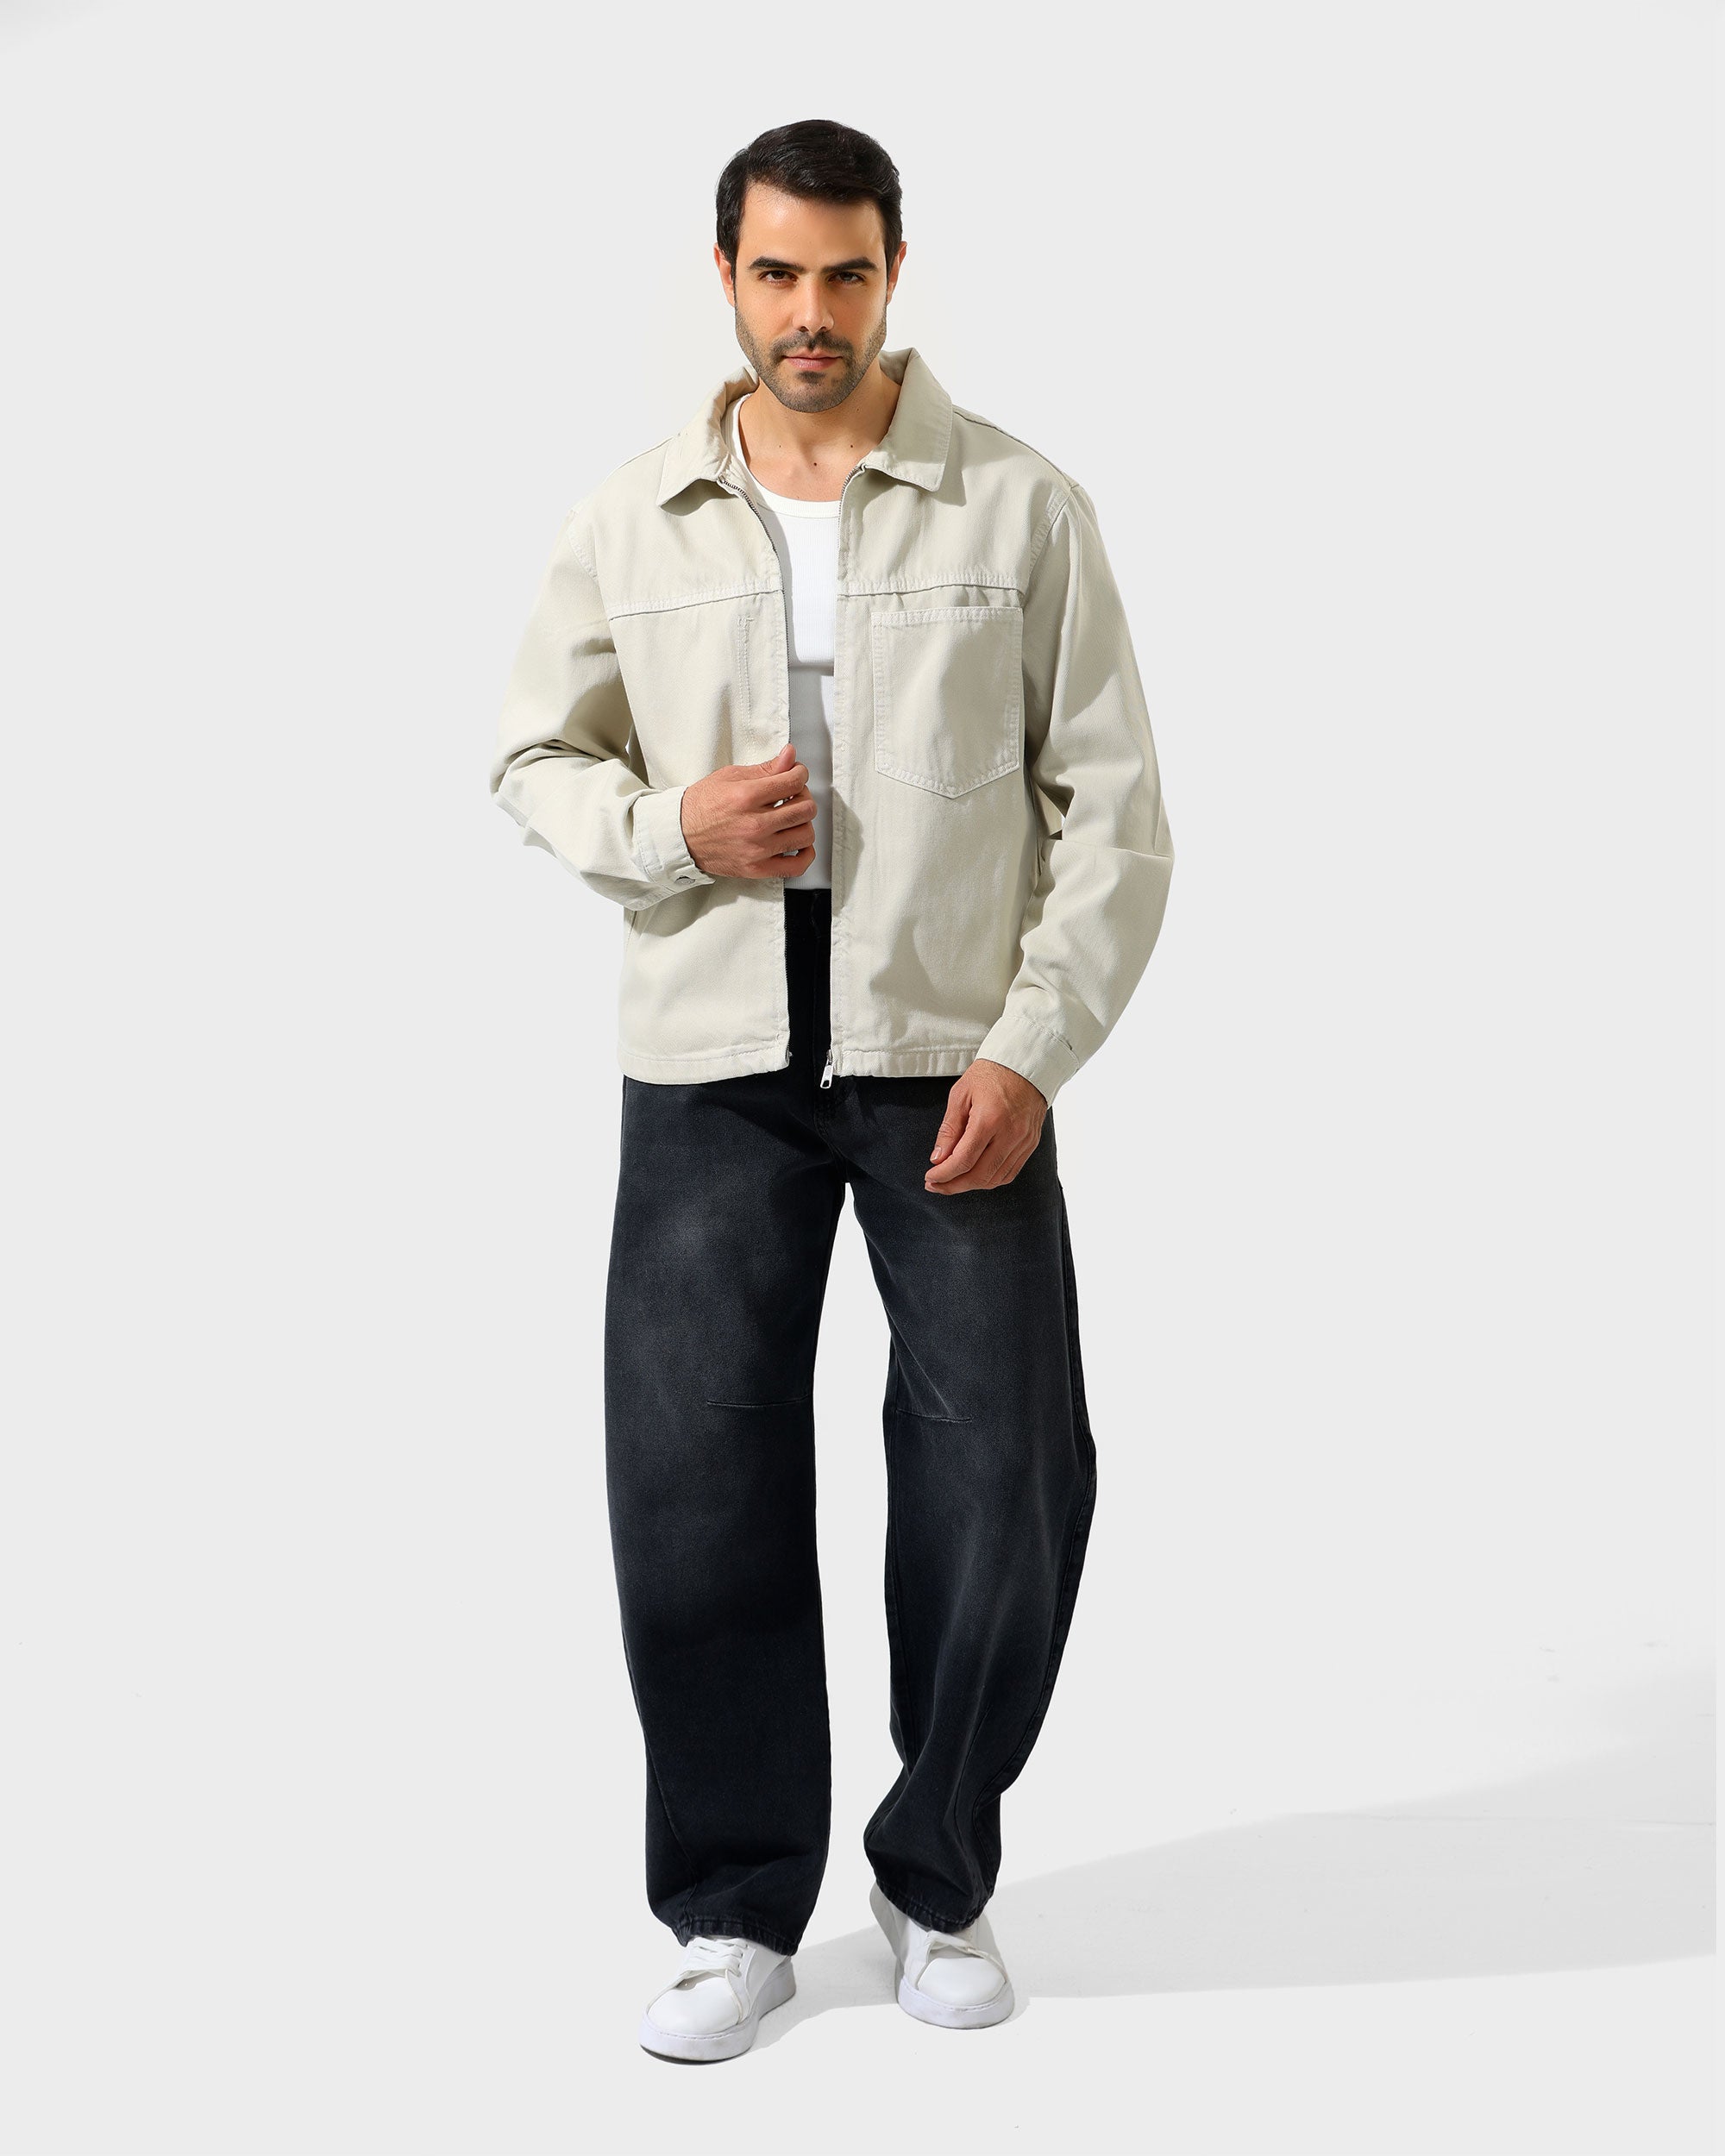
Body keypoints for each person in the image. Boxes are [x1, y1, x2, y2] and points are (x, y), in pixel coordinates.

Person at [490, 117, 1175, 2062]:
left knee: (1007, 1468)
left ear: (894, 275)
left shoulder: (1018, 507)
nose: (812, 311)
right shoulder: (635, 517)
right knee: (691, 1477)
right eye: (778, 272)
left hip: (950, 1054)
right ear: (727, 276)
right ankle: (733, 1907)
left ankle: (935, 1871)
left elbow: (1116, 815)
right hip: (710, 1062)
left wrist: (1032, 1046)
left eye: (845, 273)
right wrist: (672, 827)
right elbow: (535, 757)